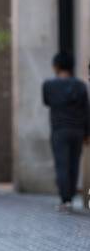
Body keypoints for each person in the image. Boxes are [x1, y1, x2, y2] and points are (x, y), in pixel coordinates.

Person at [42, 51, 90, 211]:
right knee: (74, 164)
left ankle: (66, 200)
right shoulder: (81, 86)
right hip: (77, 130)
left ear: (56, 66)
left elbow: (47, 101)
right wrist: (87, 133)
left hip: (59, 130)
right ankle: (70, 196)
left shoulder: (49, 85)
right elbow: (86, 110)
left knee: (62, 164)